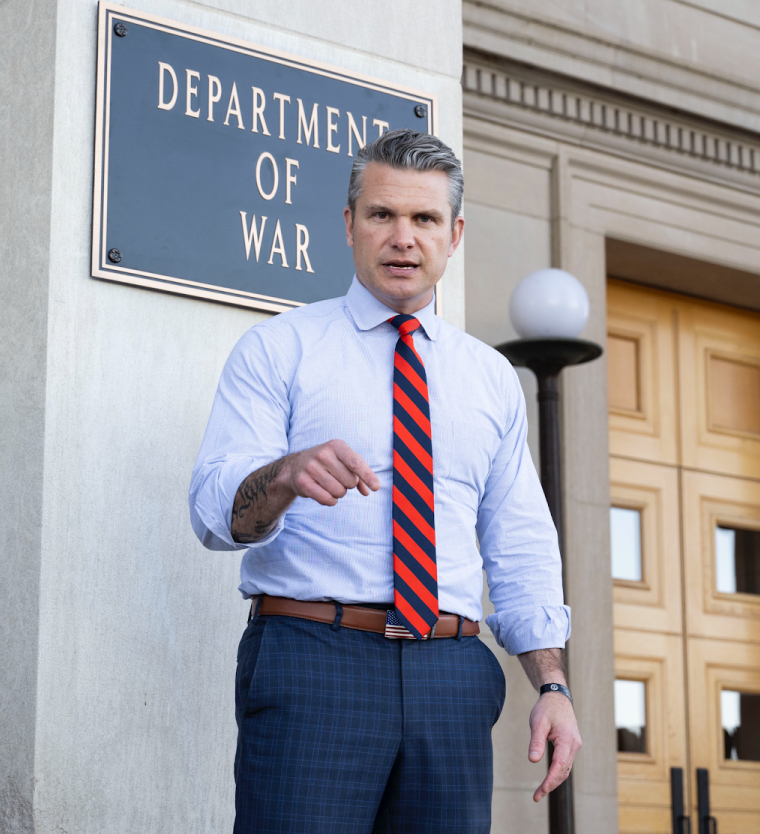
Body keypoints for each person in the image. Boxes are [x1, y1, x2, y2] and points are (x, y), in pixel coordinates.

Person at [189, 128, 581, 833]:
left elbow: (519, 541)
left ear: (454, 235)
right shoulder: (279, 349)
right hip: (314, 661)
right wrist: (283, 476)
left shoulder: (490, 377)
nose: (403, 237)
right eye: (382, 215)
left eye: (424, 218)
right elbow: (217, 517)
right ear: (349, 225)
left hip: (451, 676)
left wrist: (553, 685)